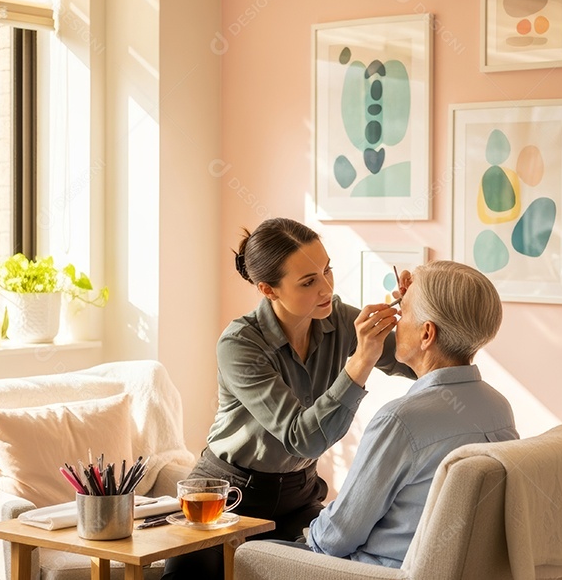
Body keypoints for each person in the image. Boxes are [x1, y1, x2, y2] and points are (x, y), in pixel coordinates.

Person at [161, 217, 415, 579]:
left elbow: (419, 363)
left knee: (334, 569)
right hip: (226, 497)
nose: (327, 288)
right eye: (309, 282)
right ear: (269, 290)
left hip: (299, 494)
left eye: (327, 271)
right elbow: (302, 437)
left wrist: (419, 310)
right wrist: (361, 361)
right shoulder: (240, 344)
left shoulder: (340, 319)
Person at [303, 260, 518, 567]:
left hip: (377, 572)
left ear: (427, 334)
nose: (395, 322)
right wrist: (418, 295)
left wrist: (306, 533)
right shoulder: (498, 407)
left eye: (402, 313)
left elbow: (334, 539)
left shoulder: (400, 421)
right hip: (453, 569)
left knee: (253, 553)